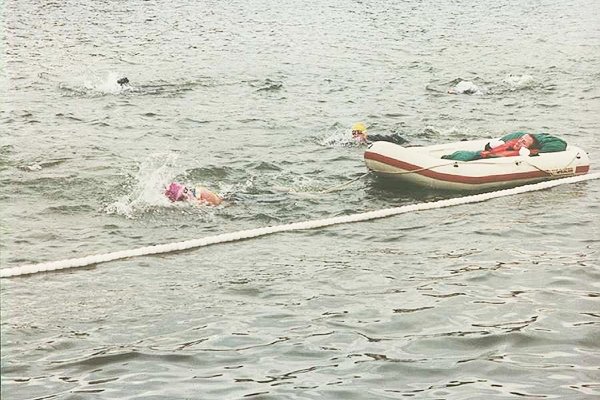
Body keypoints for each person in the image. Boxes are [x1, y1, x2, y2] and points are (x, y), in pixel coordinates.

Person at [441, 131, 567, 161]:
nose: (519, 142)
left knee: (466, 155)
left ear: (527, 148)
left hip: (481, 159)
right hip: (482, 154)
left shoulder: (523, 153)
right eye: (521, 140)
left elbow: (561, 144)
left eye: (523, 143)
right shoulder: (511, 143)